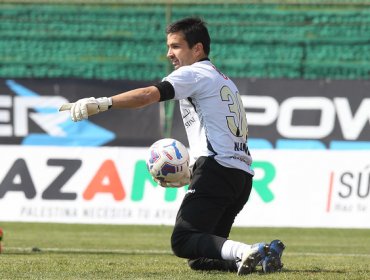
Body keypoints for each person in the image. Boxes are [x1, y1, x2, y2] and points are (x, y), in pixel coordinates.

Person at [60, 17, 285, 275]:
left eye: (176, 46)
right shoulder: (224, 81)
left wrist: (101, 103)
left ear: (197, 49)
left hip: (217, 170)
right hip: (240, 176)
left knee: (182, 240)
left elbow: (148, 95)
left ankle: (245, 250)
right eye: (169, 47)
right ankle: (265, 253)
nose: (169, 54)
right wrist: (193, 172)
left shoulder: (193, 73)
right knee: (201, 256)